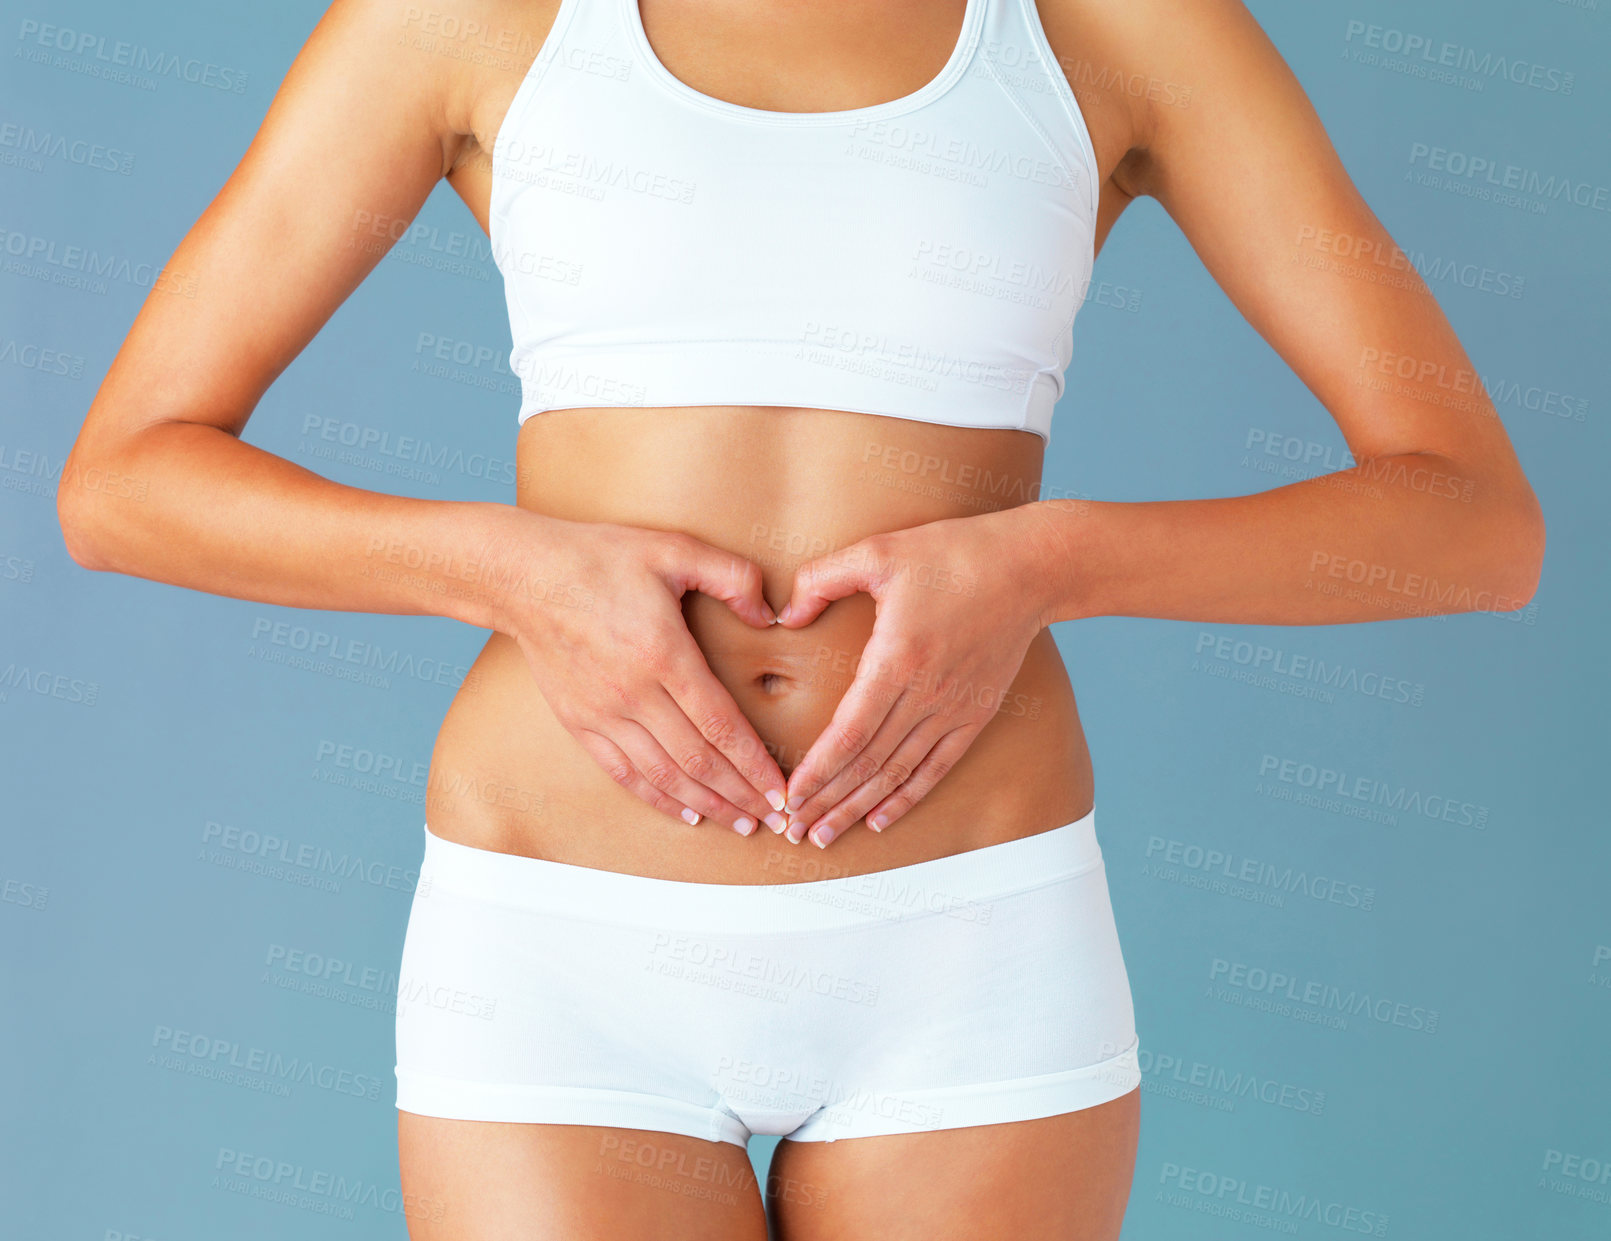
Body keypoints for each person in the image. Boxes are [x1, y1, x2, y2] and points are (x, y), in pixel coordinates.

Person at [57, 0, 1544, 1237]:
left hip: (965, 942)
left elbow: (1474, 520)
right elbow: (121, 482)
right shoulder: (470, 18)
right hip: (564, 944)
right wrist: (508, 567)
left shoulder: (1110, 25)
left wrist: (1044, 562)